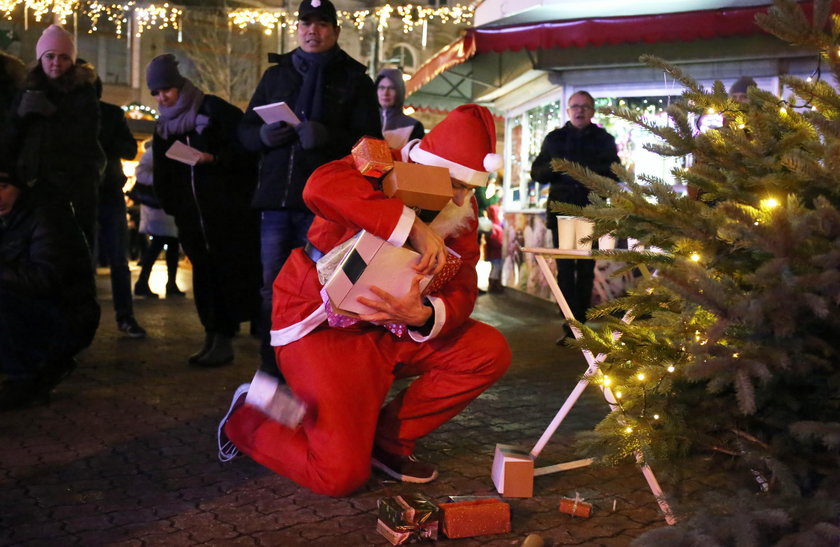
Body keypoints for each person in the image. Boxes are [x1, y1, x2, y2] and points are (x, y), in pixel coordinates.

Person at [219, 104, 511, 497]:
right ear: (428, 163)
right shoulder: (379, 159)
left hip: (396, 332)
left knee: (487, 351)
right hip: (325, 328)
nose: (460, 197)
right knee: (340, 476)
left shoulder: (461, 209)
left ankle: (388, 442)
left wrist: (425, 315)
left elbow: (463, 286)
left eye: (469, 187)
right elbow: (320, 186)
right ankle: (247, 418)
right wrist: (412, 229)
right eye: (454, 183)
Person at [237, 0, 381, 375]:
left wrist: (329, 138)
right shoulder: (276, 77)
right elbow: (245, 133)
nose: (312, 30)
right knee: (272, 288)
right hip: (277, 202)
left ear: (335, 31)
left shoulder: (355, 80)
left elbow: (372, 147)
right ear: (296, 28)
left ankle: (315, 367)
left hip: (325, 207)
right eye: (305, 23)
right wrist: (264, 135)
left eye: (321, 23)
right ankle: (273, 366)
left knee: (323, 290)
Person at [146, 53, 260, 367]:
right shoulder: (164, 127)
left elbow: (246, 151)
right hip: (191, 216)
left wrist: (214, 159)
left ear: (180, 85)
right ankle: (213, 335)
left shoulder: (214, 110)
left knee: (229, 272)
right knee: (205, 276)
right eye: (155, 93)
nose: (162, 97)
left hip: (226, 213)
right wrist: (172, 204)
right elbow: (163, 171)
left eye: (166, 89)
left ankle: (226, 337)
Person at [0, 162, 100, 410]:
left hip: (67, 315)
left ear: (21, 188)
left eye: (3, 187)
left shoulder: (47, 216)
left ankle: (27, 377)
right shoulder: (8, 218)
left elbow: (47, 278)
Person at [530, 90, 620, 337]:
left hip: (591, 210)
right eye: (575, 106)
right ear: (568, 111)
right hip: (562, 213)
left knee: (586, 267)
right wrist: (557, 167)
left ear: (592, 111)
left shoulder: (603, 140)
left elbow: (615, 172)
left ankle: (580, 319)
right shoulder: (554, 139)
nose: (579, 110)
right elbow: (537, 172)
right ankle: (571, 322)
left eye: (585, 106)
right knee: (566, 268)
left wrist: (587, 173)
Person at [6, 25, 105, 247]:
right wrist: (20, 116)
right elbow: (12, 139)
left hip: (73, 185)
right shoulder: (27, 89)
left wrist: (53, 113)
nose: (56, 63)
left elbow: (86, 137)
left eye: (63, 57)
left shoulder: (83, 91)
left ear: (72, 60)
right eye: (49, 56)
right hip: (33, 183)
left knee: (71, 246)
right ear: (40, 58)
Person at [94, 75, 147, 338]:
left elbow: (127, 149)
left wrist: (105, 138)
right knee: (84, 259)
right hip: (81, 193)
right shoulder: (63, 112)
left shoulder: (111, 114)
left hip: (108, 192)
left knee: (118, 258)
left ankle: (125, 316)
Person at [132, 142, 183, 299]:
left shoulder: (173, 148)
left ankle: (169, 283)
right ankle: (144, 283)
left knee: (170, 243)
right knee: (159, 243)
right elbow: (140, 173)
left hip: (168, 202)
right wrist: (162, 180)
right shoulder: (154, 151)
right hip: (157, 204)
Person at [375, 67, 424, 150]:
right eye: (382, 88)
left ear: (399, 91)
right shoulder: (366, 121)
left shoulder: (413, 126)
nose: (385, 93)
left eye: (391, 88)